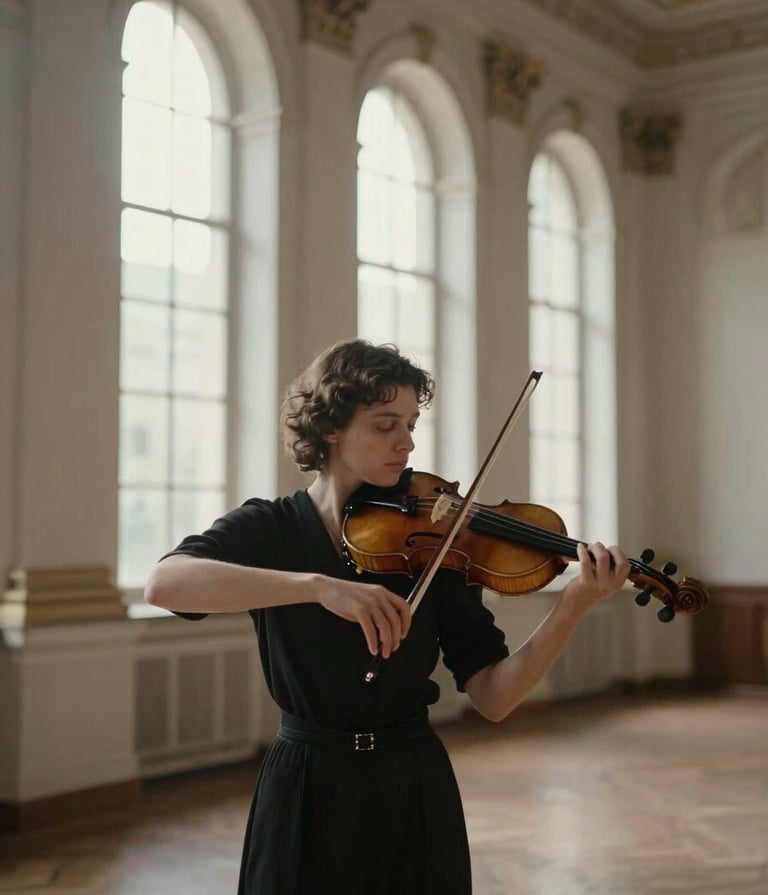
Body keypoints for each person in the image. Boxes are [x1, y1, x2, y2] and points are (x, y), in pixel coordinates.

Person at [144, 339, 630, 895]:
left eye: (411, 424)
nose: (408, 442)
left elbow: (495, 698)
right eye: (385, 425)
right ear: (330, 428)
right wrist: (316, 587)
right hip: (305, 784)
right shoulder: (271, 528)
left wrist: (573, 605)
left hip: (411, 783)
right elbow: (165, 584)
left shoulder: (435, 541)